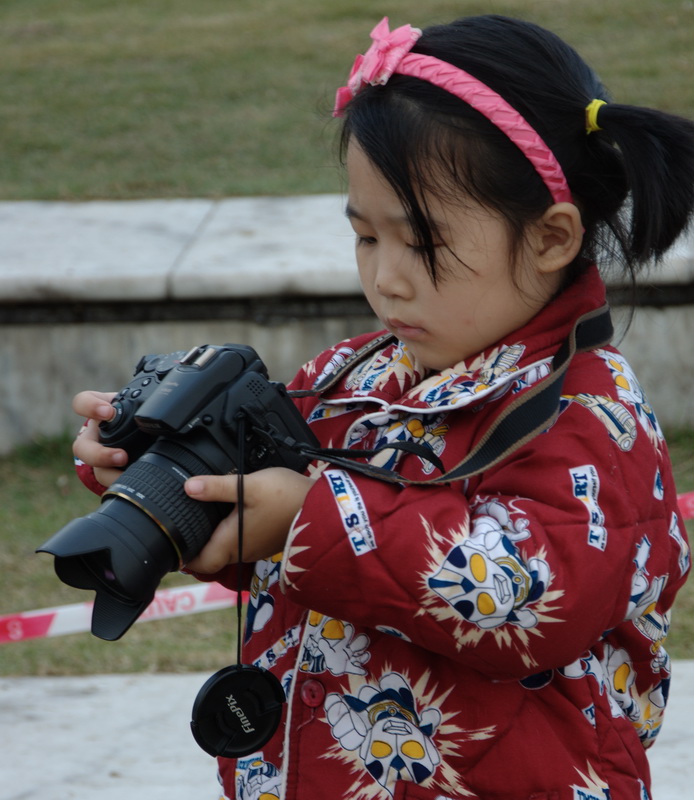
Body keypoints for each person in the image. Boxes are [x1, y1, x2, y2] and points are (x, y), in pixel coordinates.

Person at [72, 14, 693, 800]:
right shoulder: (351, 374)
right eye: (366, 237)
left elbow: (521, 599)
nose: (387, 279)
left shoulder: (592, 416)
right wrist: (162, 479)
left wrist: (306, 518)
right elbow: (281, 538)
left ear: (550, 237)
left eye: (421, 242)